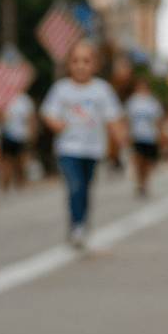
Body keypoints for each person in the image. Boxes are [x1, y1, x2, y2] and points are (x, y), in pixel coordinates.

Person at [40, 40, 125, 248]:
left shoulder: (102, 90)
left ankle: (81, 221)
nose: (80, 65)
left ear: (95, 65)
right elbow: (47, 112)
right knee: (75, 185)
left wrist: (120, 140)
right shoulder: (61, 89)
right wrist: (56, 123)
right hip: (68, 148)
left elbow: (113, 118)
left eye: (86, 61)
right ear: (69, 64)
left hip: (93, 149)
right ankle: (77, 225)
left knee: (85, 188)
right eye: (75, 60)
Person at [124, 76, 165, 198]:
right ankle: (139, 183)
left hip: (150, 136)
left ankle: (145, 182)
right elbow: (127, 119)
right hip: (137, 136)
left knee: (147, 162)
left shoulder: (153, 102)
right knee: (138, 160)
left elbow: (158, 120)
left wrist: (160, 134)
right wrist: (127, 134)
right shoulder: (132, 102)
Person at [0, 90, 36, 191]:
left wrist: (32, 133)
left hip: (22, 136)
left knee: (21, 161)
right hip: (7, 135)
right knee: (7, 161)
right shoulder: (3, 98)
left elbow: (31, 118)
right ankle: (5, 185)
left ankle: (20, 182)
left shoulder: (25, 100)